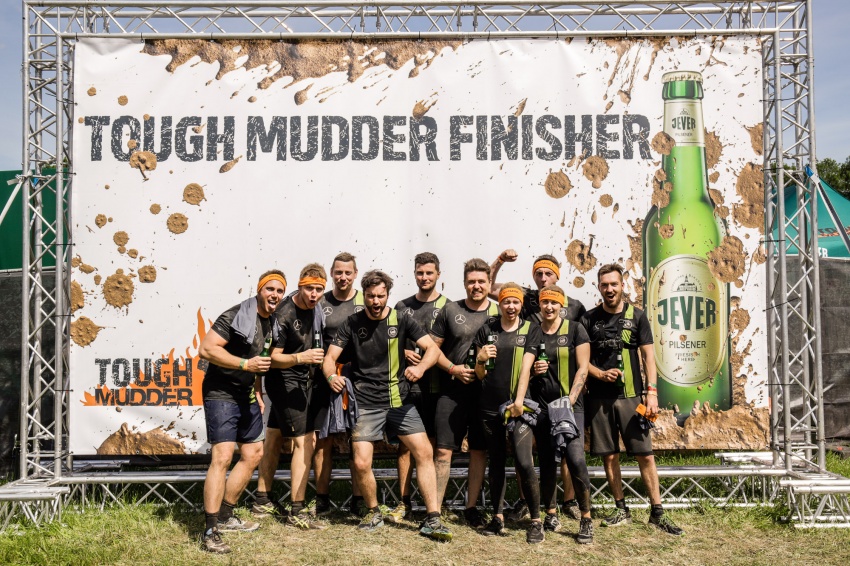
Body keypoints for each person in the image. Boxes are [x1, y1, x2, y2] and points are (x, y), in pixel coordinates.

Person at [322, 270, 453, 541]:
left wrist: (421, 369)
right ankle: (373, 512)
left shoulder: (402, 318)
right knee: (361, 462)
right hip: (365, 403)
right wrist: (332, 377)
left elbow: (432, 349)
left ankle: (433, 518)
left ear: (387, 295)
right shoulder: (352, 322)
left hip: (399, 401)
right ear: (364, 295)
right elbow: (329, 358)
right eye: (370, 296)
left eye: (380, 296)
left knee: (424, 452)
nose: (375, 301)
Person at [581, 263, 683, 536]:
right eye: (604, 285)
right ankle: (621, 508)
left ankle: (657, 512)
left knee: (645, 455)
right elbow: (582, 361)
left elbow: (649, 357)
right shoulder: (589, 319)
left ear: (622, 285)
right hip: (599, 400)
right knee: (609, 455)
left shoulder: (637, 316)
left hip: (634, 398)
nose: (609, 289)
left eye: (614, 284)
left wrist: (652, 393)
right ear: (598, 287)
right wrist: (600, 374)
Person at [490, 250, 587, 520]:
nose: (543, 278)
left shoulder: (576, 308)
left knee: (570, 453)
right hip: (536, 393)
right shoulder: (526, 297)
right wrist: (500, 261)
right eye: (538, 274)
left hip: (566, 393)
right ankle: (528, 502)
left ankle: (569, 501)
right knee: (533, 452)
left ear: (558, 276)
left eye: (548, 274)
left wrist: (580, 388)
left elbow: (583, 353)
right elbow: (489, 287)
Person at [197, 270, 285, 553]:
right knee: (222, 457)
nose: (274, 295)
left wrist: (257, 389)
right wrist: (245, 365)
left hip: (246, 393)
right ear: (259, 290)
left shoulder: (271, 322)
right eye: (270, 289)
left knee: (254, 453)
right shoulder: (235, 315)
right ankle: (210, 530)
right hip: (221, 392)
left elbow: (259, 358)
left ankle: (226, 514)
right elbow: (206, 349)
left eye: (279, 291)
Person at [253, 264, 328, 529]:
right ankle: (297, 509)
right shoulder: (285, 313)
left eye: (319, 289)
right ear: (299, 286)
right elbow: (271, 358)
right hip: (284, 382)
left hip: (302, 382)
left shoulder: (317, 309)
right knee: (305, 442)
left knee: (274, 436)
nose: (314, 294)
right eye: (309, 289)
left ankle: (261, 499)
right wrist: (301, 357)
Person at [473, 282, 545, 544]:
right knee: (496, 462)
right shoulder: (487, 329)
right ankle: (498, 517)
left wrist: (518, 402)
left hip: (519, 407)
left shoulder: (530, 329)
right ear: (500, 304)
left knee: (524, 462)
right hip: (490, 406)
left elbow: (526, 368)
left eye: (515, 302)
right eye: (506, 302)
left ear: (521, 305)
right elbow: (479, 375)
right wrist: (480, 359)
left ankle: (536, 521)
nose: (511, 306)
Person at [429, 258, 498, 528]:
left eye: (481, 281)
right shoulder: (450, 310)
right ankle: (435, 510)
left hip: (485, 394)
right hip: (452, 391)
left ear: (489, 283)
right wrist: (453, 369)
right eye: (471, 281)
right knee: (443, 451)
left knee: (478, 451)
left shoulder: (499, 312)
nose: (476, 286)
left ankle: (471, 508)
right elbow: (432, 350)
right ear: (464, 283)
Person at [529, 284, 594, 544]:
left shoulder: (575, 329)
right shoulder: (533, 331)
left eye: (554, 302)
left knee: (576, 459)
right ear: (540, 304)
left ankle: (586, 518)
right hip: (543, 407)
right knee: (547, 462)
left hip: (569, 406)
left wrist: (571, 400)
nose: (549, 307)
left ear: (561, 305)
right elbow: (523, 368)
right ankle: (551, 513)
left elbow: (583, 368)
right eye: (545, 302)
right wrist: (533, 370)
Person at [388, 252, 448, 522]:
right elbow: (389, 343)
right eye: (420, 273)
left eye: (429, 273)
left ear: (438, 275)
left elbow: (448, 347)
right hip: (406, 388)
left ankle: (430, 505)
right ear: (414, 274)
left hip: (438, 389)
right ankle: (404, 503)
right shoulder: (402, 306)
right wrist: (403, 352)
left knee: (431, 447)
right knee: (405, 447)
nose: (424, 277)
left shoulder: (448, 306)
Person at [312, 252, 365, 516]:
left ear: (355, 274)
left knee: (358, 441)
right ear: (332, 274)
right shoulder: (320, 302)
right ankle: (322, 499)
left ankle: (358, 499)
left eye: (348, 272)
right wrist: (329, 375)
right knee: (324, 441)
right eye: (338, 272)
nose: (343, 277)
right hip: (326, 378)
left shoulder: (366, 301)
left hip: (359, 380)